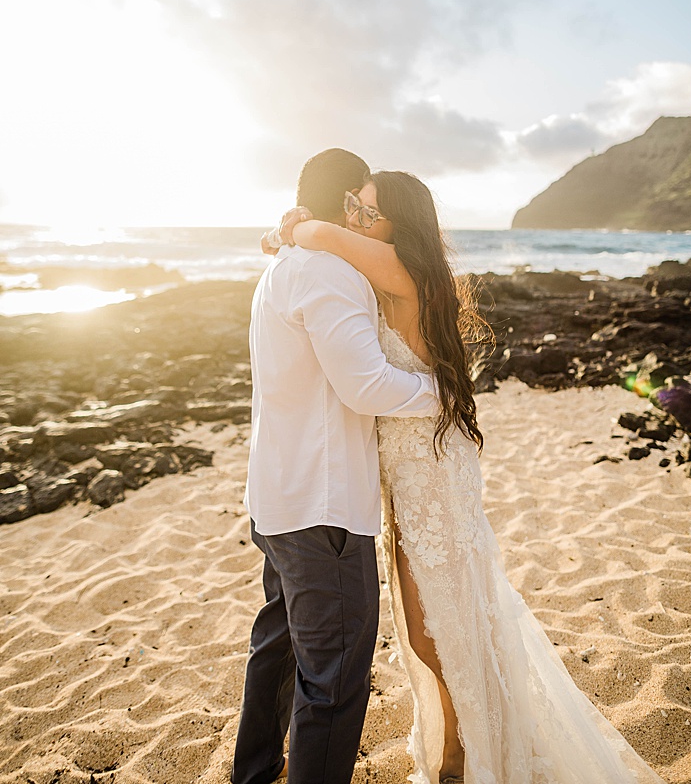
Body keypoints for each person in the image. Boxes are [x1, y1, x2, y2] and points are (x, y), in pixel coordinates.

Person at [272, 169, 665, 784]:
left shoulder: (402, 266)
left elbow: (320, 234)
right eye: (352, 206)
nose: (356, 218)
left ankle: (467, 749)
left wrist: (301, 225)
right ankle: (461, 740)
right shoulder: (393, 267)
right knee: (433, 616)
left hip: (430, 465)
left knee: (442, 621)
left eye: (367, 209)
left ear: (401, 224)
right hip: (408, 464)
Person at [233, 148, 441, 784]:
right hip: (322, 511)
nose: (364, 216)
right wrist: (441, 394)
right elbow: (365, 387)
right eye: (361, 203)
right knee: (333, 679)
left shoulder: (285, 267)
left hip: (276, 499)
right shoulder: (328, 272)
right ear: (349, 200)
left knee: (277, 652)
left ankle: (256, 773)